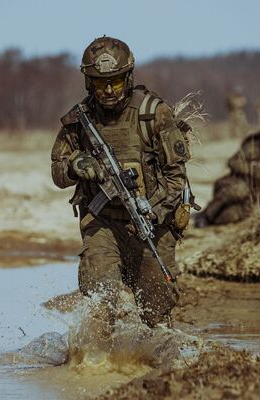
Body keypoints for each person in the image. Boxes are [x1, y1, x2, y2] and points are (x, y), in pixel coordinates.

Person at [51, 36, 190, 335]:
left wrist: (151, 210)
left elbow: (176, 178)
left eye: (115, 81)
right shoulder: (80, 120)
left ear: (128, 77)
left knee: (156, 311)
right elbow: (57, 172)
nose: (109, 90)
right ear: (89, 83)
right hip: (103, 223)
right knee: (100, 300)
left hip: (153, 222)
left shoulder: (153, 114)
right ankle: (98, 364)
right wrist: (76, 166)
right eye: (101, 84)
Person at [194, 112, 260, 227]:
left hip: (257, 194)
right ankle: (206, 215)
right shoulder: (255, 144)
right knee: (239, 189)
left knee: (233, 215)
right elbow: (233, 162)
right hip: (235, 185)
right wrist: (254, 171)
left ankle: (213, 219)